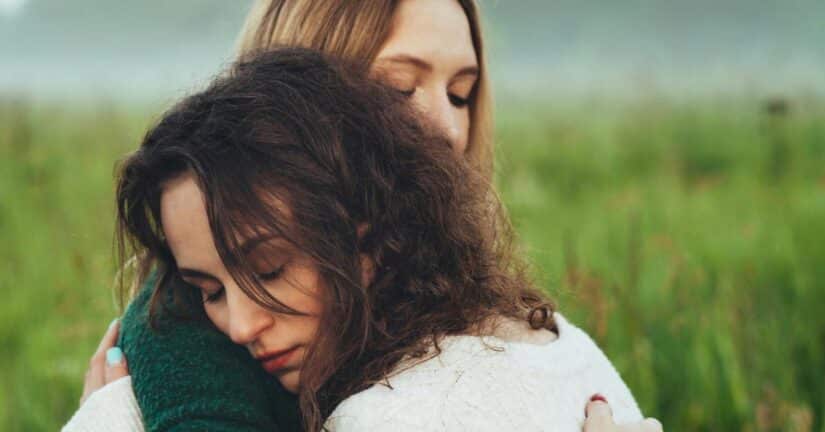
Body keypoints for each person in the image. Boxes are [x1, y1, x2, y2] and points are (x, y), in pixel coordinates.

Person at [66, 1, 662, 431]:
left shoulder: (479, 334)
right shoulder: (189, 335)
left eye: (461, 94)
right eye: (399, 88)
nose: (449, 131)